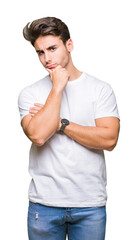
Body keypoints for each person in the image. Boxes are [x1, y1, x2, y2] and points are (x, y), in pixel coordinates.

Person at [18, 16, 120, 240]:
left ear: (69, 45)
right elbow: (37, 135)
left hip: (89, 205)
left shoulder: (100, 89)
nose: (46, 58)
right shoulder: (30, 93)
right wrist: (57, 87)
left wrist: (60, 124)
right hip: (44, 204)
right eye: (40, 52)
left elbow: (109, 139)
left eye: (52, 48)